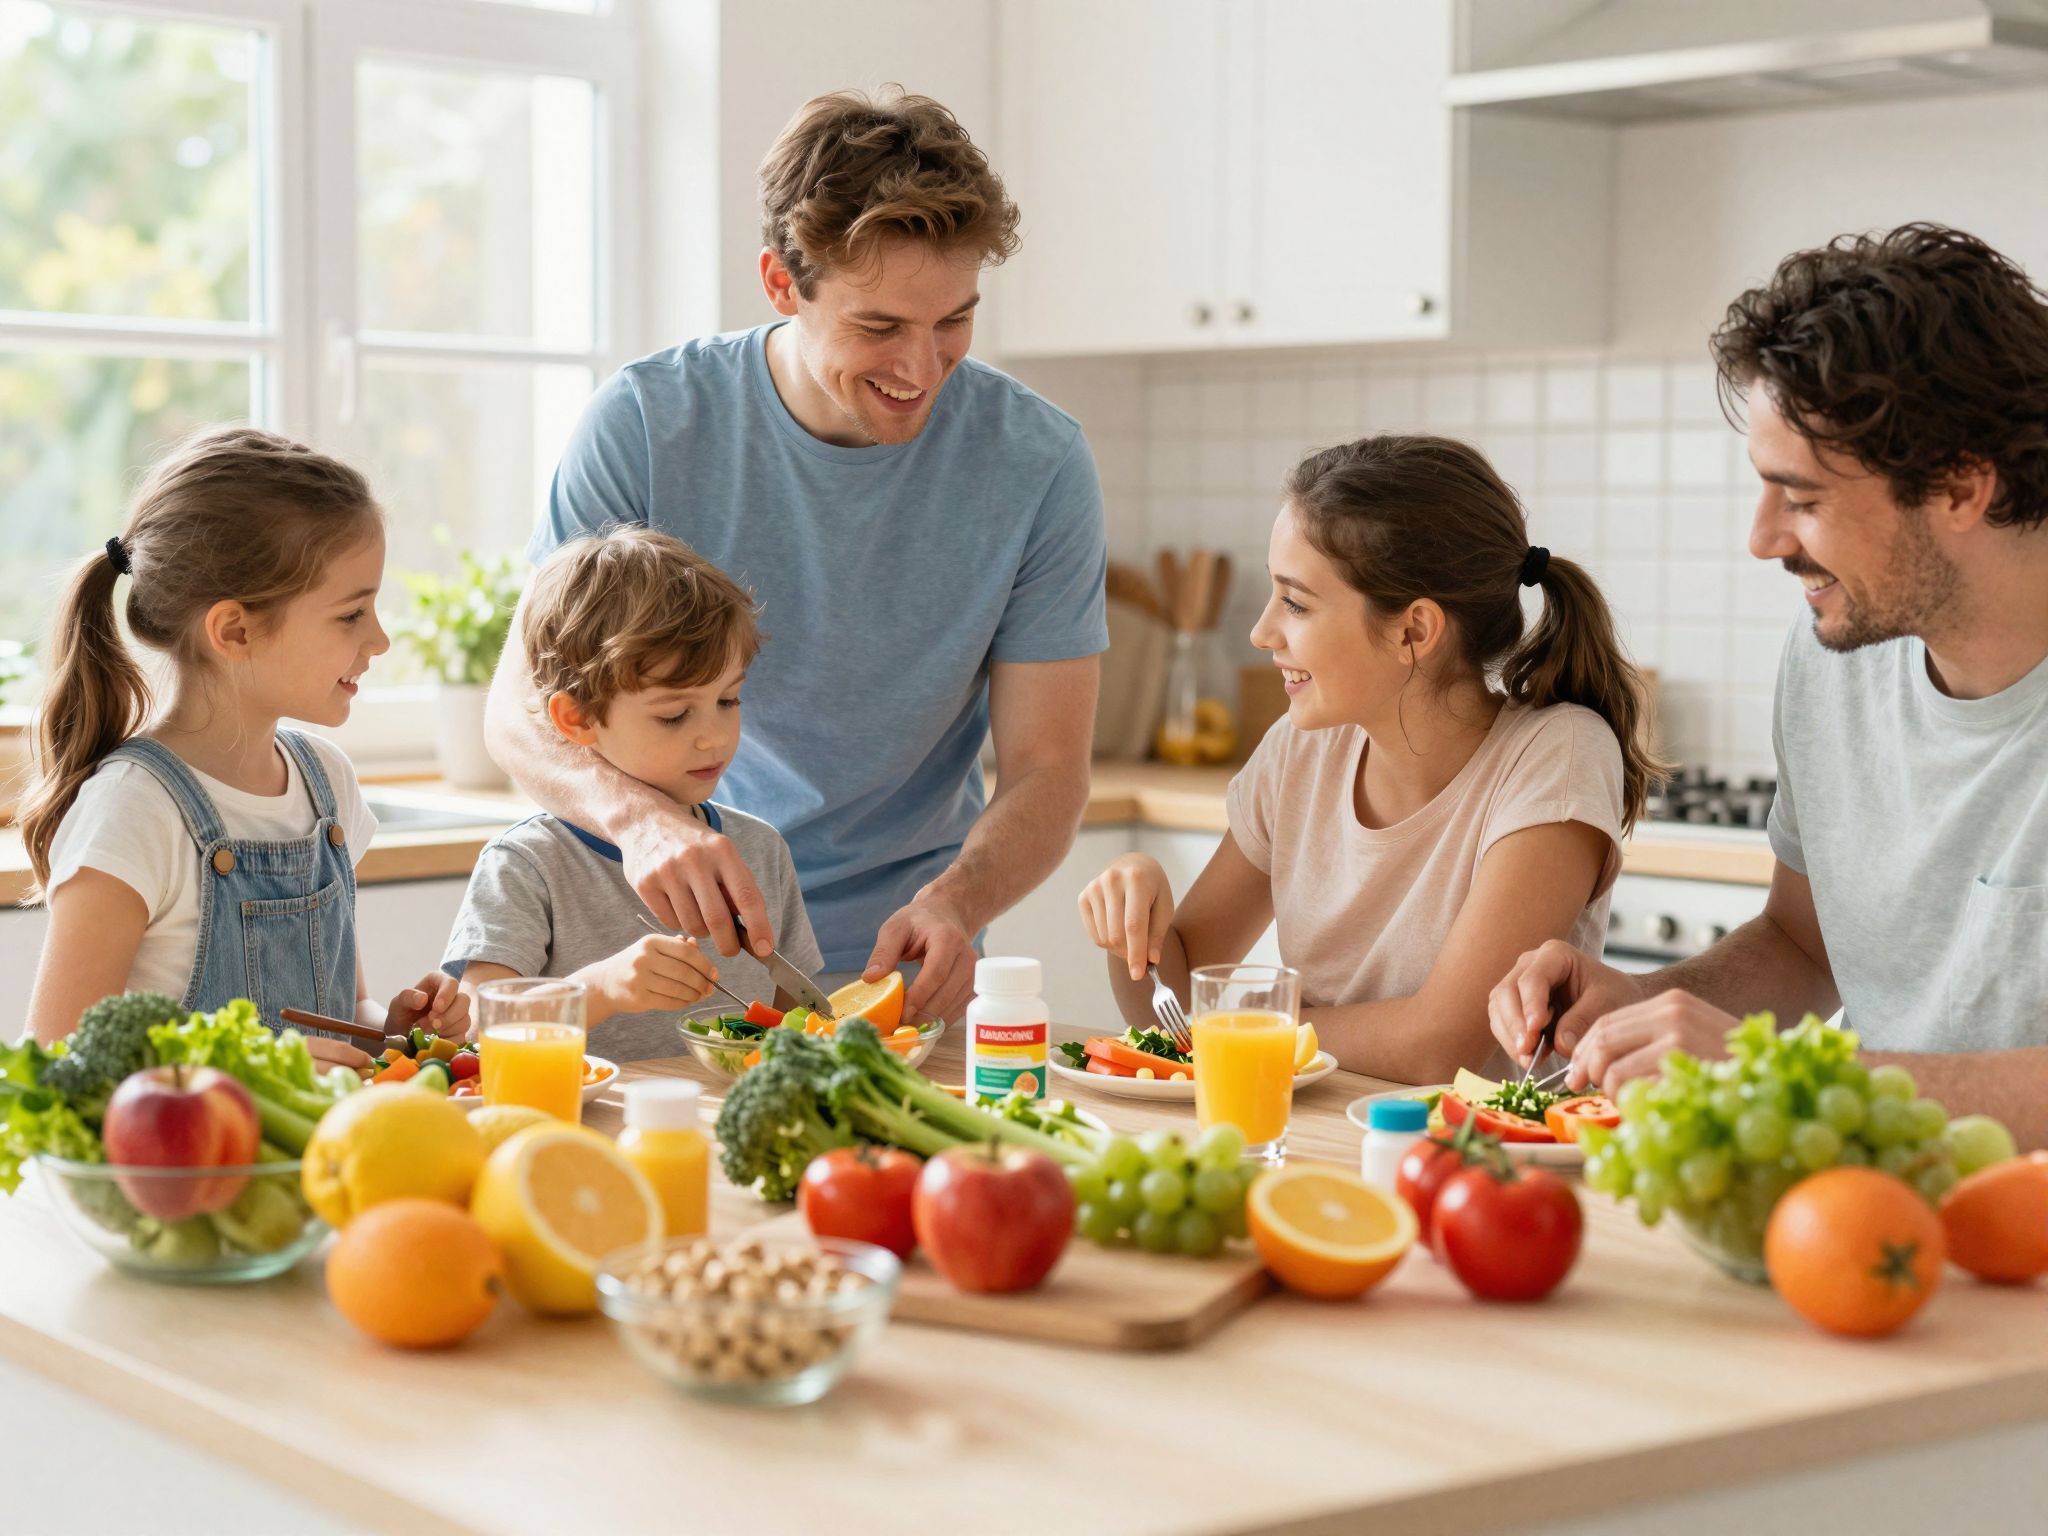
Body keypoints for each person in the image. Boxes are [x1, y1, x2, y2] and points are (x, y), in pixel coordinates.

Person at [484, 88, 1106, 1028]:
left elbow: (1047, 771)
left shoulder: (1039, 462)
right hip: (665, 961)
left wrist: (959, 903)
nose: (923, 367)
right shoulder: (650, 423)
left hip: (903, 970)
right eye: (879, 327)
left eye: (954, 322)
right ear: (782, 283)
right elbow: (520, 713)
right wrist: (644, 822)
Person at [1489, 224, 2048, 1146]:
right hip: (1860, 1219)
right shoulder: (1833, 655)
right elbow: (1802, 944)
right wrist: (1638, 1010)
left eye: (1805, 499)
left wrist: (1788, 1077)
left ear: (1959, 488)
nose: (1764, 539)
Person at [1079, 435, 1660, 1082]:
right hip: (1311, 1141)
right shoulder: (1301, 751)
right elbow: (1175, 1017)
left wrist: (1241, 1025)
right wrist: (1135, 915)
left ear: (1414, 630)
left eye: (1295, 602)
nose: (1261, 631)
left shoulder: (1556, 756)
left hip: (1473, 1162)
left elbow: (1437, 1047)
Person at [20, 426, 466, 1064]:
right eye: (351, 614)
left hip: (319, 1162)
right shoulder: (133, 811)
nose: (380, 640)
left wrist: (394, 1029)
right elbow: (59, 1063)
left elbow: (342, 1017)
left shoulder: (326, 783)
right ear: (234, 630)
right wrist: (251, 1073)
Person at [444, 529, 823, 1060]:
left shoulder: (760, 851)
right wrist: (602, 988)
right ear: (576, 718)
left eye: (729, 699)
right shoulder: (527, 864)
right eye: (673, 714)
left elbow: (795, 1024)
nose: (713, 735)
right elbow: (479, 1028)